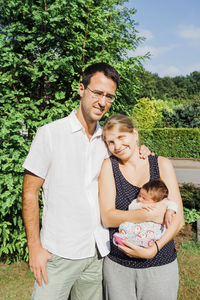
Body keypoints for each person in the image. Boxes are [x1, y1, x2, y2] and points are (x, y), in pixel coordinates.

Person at [22, 63, 154, 300]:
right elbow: (29, 193)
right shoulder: (50, 134)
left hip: (97, 251)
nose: (102, 102)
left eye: (109, 96)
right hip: (58, 252)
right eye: (97, 93)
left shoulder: (108, 141)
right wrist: (34, 247)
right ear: (81, 89)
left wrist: (141, 149)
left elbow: (132, 159)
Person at [99, 114, 185, 300]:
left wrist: (154, 248)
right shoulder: (109, 166)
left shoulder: (161, 165)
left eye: (122, 137)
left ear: (135, 134)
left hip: (160, 265)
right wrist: (147, 215)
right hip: (118, 268)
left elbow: (178, 220)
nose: (117, 146)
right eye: (110, 142)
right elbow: (107, 217)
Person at [113, 179, 178, 248]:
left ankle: (143, 243)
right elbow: (130, 207)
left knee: (149, 235)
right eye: (139, 195)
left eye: (144, 198)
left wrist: (169, 211)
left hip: (152, 228)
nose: (140, 199)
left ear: (157, 200)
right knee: (126, 226)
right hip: (138, 225)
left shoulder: (163, 202)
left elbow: (173, 204)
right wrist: (141, 205)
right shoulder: (137, 202)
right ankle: (123, 239)